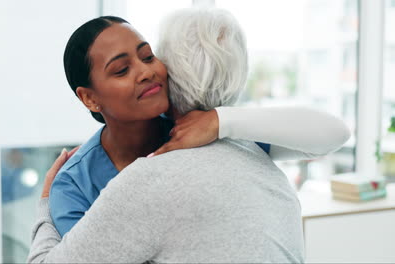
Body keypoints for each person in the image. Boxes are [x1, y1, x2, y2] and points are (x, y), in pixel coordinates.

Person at [28, 8, 350, 262]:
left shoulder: (202, 130)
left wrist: (220, 121)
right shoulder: (75, 182)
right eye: (122, 70)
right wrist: (45, 205)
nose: (146, 71)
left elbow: (332, 133)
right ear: (89, 98)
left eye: (148, 56)